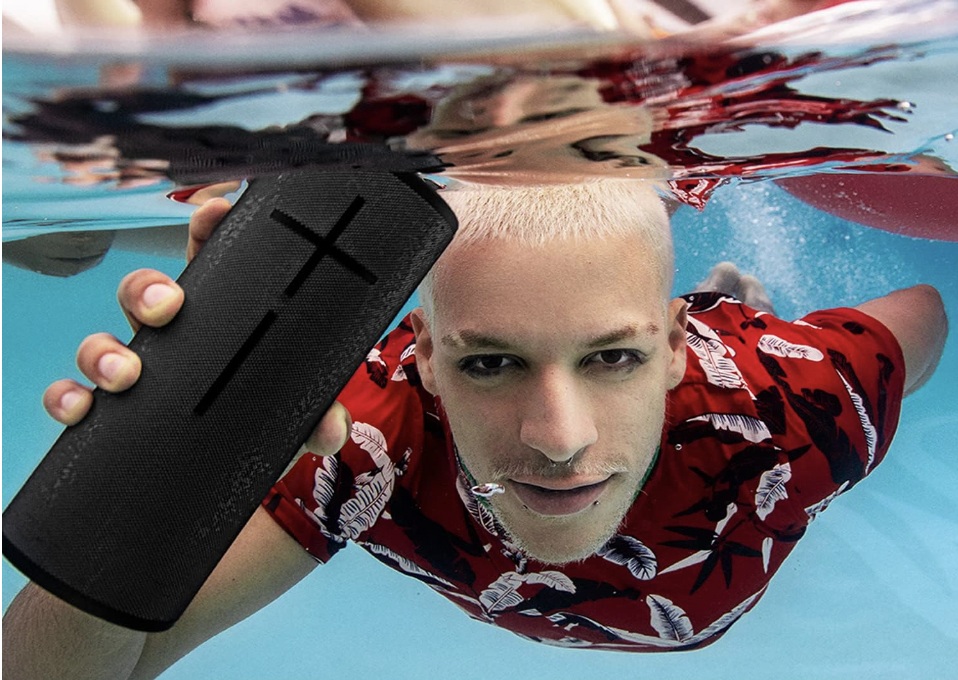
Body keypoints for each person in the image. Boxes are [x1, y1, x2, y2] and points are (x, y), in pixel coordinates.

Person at [2, 180, 947, 678]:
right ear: (419, 357)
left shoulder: (794, 404)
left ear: (668, 349)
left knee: (742, 328)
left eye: (614, 359)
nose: (559, 438)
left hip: (724, 370)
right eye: (487, 362)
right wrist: (160, 471)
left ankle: (718, 307)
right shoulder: (366, 439)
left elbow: (923, 315)